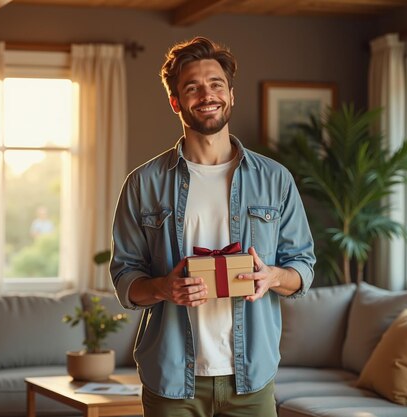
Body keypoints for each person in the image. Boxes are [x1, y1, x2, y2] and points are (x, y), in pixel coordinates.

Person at [110, 36, 315, 417]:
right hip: (171, 379)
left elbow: (303, 267)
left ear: (231, 95)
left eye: (216, 84)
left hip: (251, 379)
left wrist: (272, 277)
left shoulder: (275, 179)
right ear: (176, 102)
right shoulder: (143, 184)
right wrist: (162, 288)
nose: (207, 95)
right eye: (193, 87)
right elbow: (124, 278)